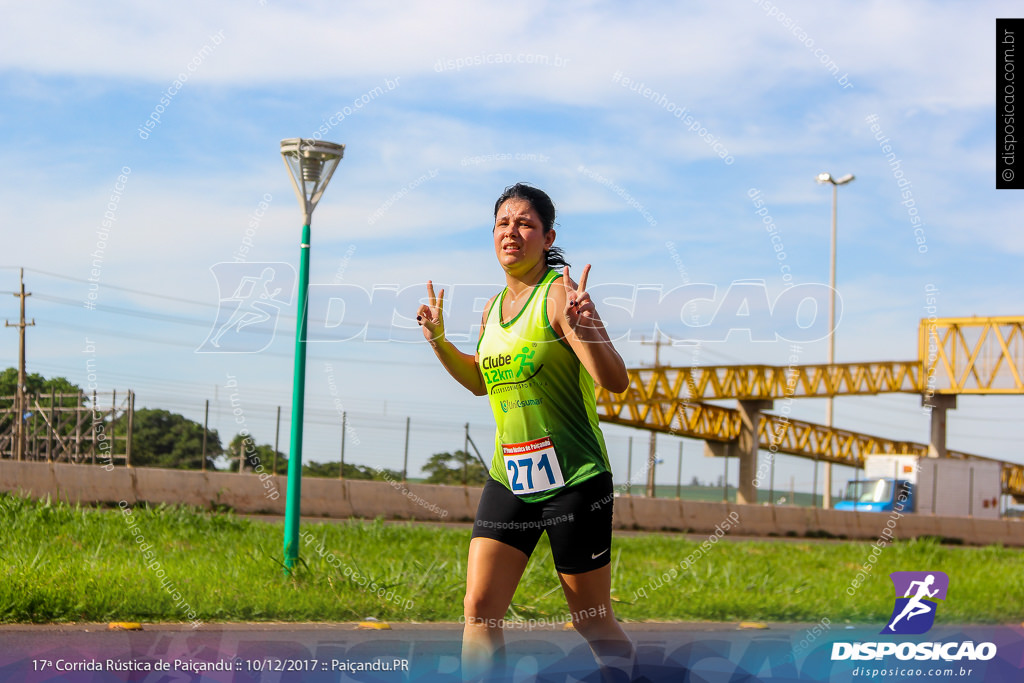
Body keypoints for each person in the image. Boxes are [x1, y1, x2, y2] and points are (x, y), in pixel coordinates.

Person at [417, 183, 636, 681]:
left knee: (591, 620)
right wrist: (438, 342)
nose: (511, 232)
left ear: (547, 236)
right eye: (502, 223)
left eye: (525, 223)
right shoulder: (492, 309)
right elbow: (480, 381)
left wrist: (589, 329)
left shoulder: (559, 297)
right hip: (510, 476)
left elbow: (614, 381)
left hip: (574, 481)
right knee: (479, 608)